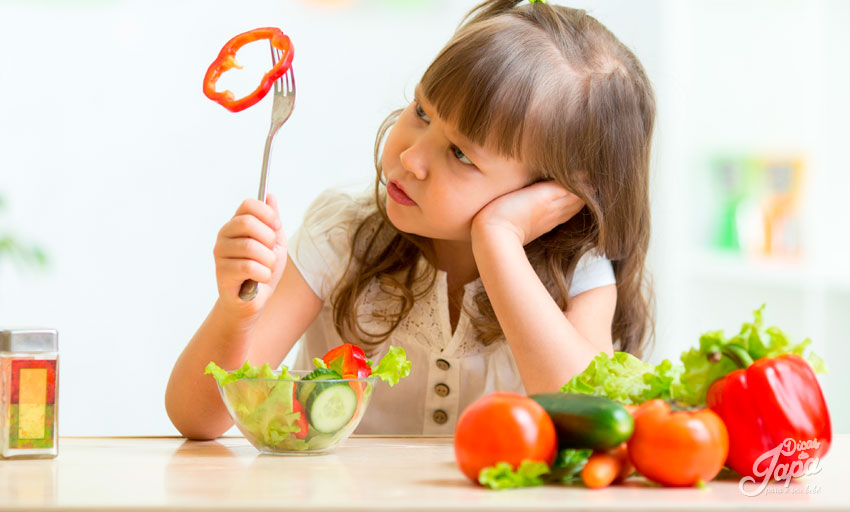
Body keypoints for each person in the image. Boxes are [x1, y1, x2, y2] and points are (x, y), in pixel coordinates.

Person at [166, 0, 655, 439]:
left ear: (555, 192)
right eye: (422, 111)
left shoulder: (580, 273)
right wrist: (237, 315)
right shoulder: (341, 236)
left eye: (461, 154)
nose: (412, 158)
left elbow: (591, 425)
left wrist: (498, 239)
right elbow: (199, 418)